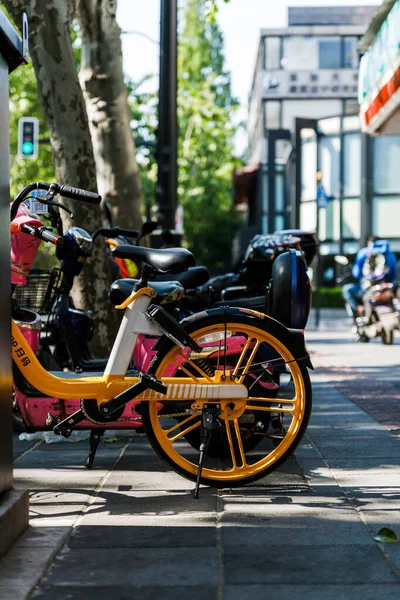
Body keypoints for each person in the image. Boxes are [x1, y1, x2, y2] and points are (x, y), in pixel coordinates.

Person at [341, 236, 398, 316]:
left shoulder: (364, 252)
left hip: (367, 289)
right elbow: (394, 273)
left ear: (369, 243)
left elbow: (356, 273)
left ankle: (359, 309)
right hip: (386, 286)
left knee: (346, 290)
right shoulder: (389, 253)